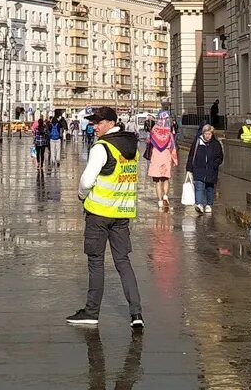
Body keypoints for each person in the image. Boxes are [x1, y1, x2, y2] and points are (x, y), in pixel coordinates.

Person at [67, 106, 144, 329]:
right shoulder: (131, 147)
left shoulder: (102, 148)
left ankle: (91, 312)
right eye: (93, 123)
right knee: (123, 261)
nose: (95, 126)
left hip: (99, 215)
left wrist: (82, 196)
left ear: (110, 123)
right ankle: (136, 313)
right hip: (121, 214)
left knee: (96, 262)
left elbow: (86, 181)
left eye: (98, 122)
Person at [186, 124, 225, 214]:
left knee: (209, 188)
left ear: (212, 134)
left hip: (211, 170)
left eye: (209, 134)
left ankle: (209, 204)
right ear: (203, 133)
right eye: (206, 134)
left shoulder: (216, 144)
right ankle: (199, 204)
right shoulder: (197, 143)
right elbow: (191, 155)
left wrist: (215, 164)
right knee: (199, 186)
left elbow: (220, 157)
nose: (207, 136)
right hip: (199, 168)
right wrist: (189, 168)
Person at [142, 117, 177, 210]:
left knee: (157, 181)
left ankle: (160, 201)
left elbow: (148, 141)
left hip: (156, 157)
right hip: (166, 156)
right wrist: (174, 159)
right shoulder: (169, 132)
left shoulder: (154, 131)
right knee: (165, 179)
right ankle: (165, 195)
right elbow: (173, 147)